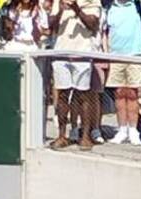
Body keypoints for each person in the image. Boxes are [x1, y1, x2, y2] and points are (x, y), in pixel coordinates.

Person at [49, 0, 101, 150]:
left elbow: (93, 25)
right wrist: (59, 9)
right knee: (63, 95)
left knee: (83, 95)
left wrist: (76, 9)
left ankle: (84, 136)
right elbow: (51, 24)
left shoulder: (92, 2)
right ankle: (61, 135)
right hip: (61, 53)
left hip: (82, 54)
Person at [103, 0, 141, 145]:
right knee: (119, 93)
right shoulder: (109, 7)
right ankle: (122, 129)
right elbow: (105, 31)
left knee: (132, 94)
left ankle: (133, 130)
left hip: (134, 54)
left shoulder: (137, 5)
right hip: (115, 55)